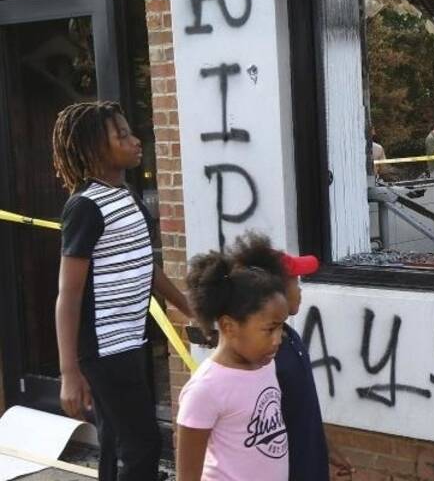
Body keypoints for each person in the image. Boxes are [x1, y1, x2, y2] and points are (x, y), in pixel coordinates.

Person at [53, 101, 193, 481]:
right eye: (123, 136)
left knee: (116, 439)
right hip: (103, 349)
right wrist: (69, 372)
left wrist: (185, 305)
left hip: (130, 339)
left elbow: (144, 263)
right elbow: (68, 295)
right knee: (143, 444)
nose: (135, 141)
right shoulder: (85, 207)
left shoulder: (126, 195)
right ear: (97, 148)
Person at [230, 233, 353, 480]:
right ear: (275, 292)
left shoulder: (290, 337)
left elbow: (301, 406)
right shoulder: (263, 355)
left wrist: (327, 449)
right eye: (296, 282)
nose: (300, 290)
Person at [176, 246, 290, 481]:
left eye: (281, 328)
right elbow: (187, 475)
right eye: (270, 329)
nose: (278, 339)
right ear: (229, 326)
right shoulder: (205, 389)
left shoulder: (267, 364)